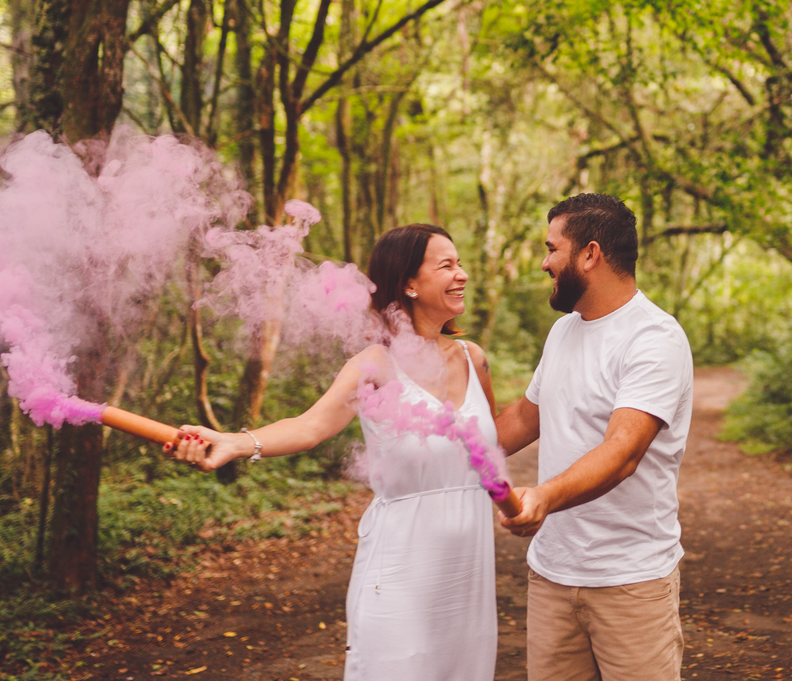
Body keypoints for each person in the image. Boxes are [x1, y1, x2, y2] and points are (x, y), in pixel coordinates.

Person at [167, 224, 503, 681]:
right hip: (401, 570)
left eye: (459, 263)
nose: (461, 274)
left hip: (467, 574)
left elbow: (490, 445)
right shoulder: (375, 364)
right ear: (408, 283)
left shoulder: (473, 358)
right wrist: (236, 442)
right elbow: (310, 426)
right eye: (446, 265)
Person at [496, 193, 693, 681]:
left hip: (631, 581)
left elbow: (622, 452)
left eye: (551, 249)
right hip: (552, 576)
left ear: (590, 254)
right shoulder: (563, 331)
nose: (544, 263)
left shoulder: (654, 339)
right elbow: (525, 417)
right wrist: (447, 444)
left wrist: (542, 496)